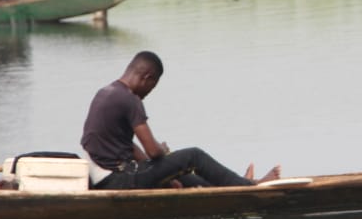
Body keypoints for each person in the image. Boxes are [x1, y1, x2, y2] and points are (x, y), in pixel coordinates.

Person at [81, 50, 282, 189]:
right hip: (118, 180)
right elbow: (152, 151)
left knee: (177, 168)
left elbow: (129, 147)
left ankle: (234, 184)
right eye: (152, 86)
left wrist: (166, 175)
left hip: (106, 176)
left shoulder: (106, 92)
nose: (149, 92)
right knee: (194, 156)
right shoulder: (130, 99)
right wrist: (163, 151)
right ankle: (250, 186)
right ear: (147, 78)